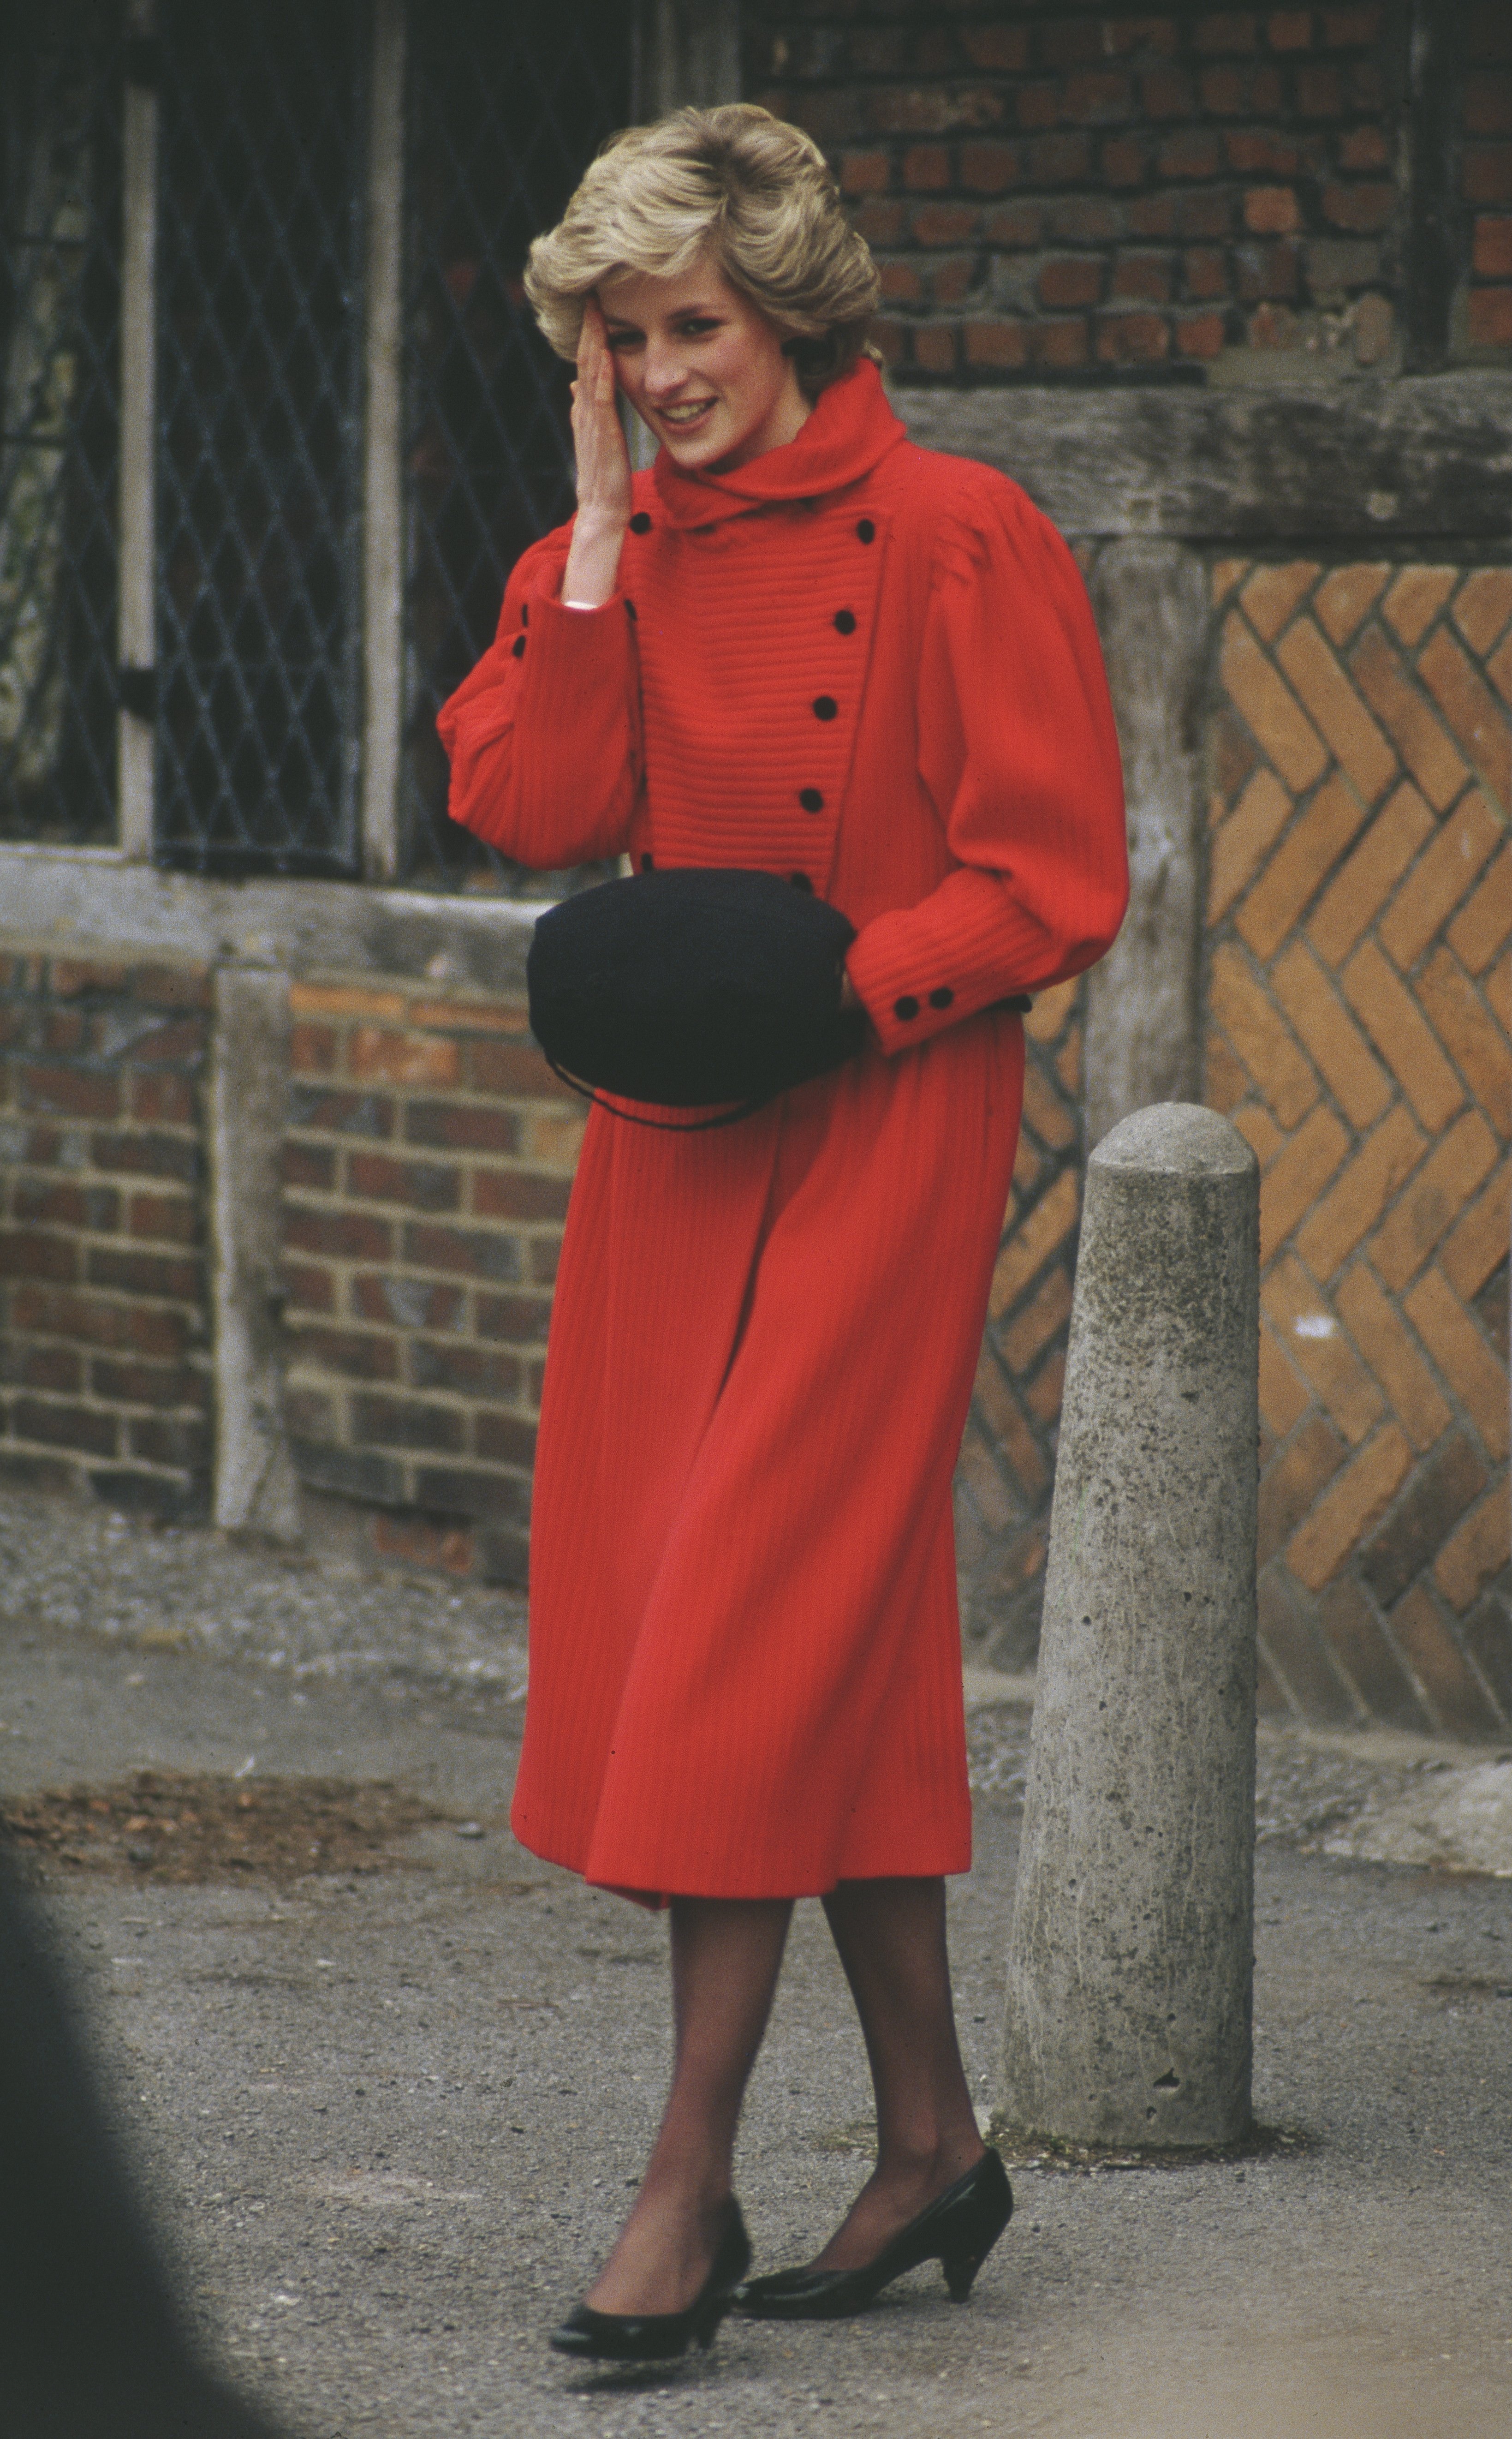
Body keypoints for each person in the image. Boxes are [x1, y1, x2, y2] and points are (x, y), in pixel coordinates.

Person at [437, 102, 1127, 2363]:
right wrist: (599, 536)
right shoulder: (635, 547)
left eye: (694, 324)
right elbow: (534, 803)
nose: (661, 368)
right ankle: (931, 2135)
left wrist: (841, 988)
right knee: (789, 1626)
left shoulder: (959, 534)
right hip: (674, 1136)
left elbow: (1054, 874)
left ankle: (684, 2185)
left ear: (794, 310)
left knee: (740, 1627)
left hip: (881, 1114)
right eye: (623, 337)